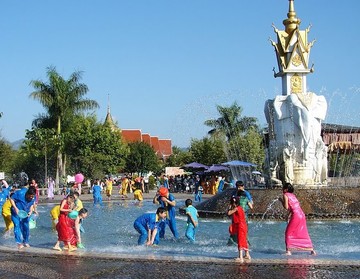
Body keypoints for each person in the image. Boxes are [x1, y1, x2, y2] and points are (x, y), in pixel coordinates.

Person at [279, 183, 316, 256]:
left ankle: (288, 251)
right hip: (301, 214)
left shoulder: (285, 195)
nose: (282, 189)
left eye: (283, 188)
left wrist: (281, 201)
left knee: (288, 232)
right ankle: (311, 250)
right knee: (303, 232)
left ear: (286, 189)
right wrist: (288, 215)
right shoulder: (293, 195)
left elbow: (286, 207)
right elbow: (294, 207)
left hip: (296, 215)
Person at [227, 196, 249, 263]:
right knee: (244, 239)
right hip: (243, 225)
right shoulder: (240, 208)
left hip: (240, 226)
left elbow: (228, 213)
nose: (233, 204)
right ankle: (247, 255)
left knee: (240, 240)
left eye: (233, 203)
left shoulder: (236, 208)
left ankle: (241, 257)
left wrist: (230, 206)